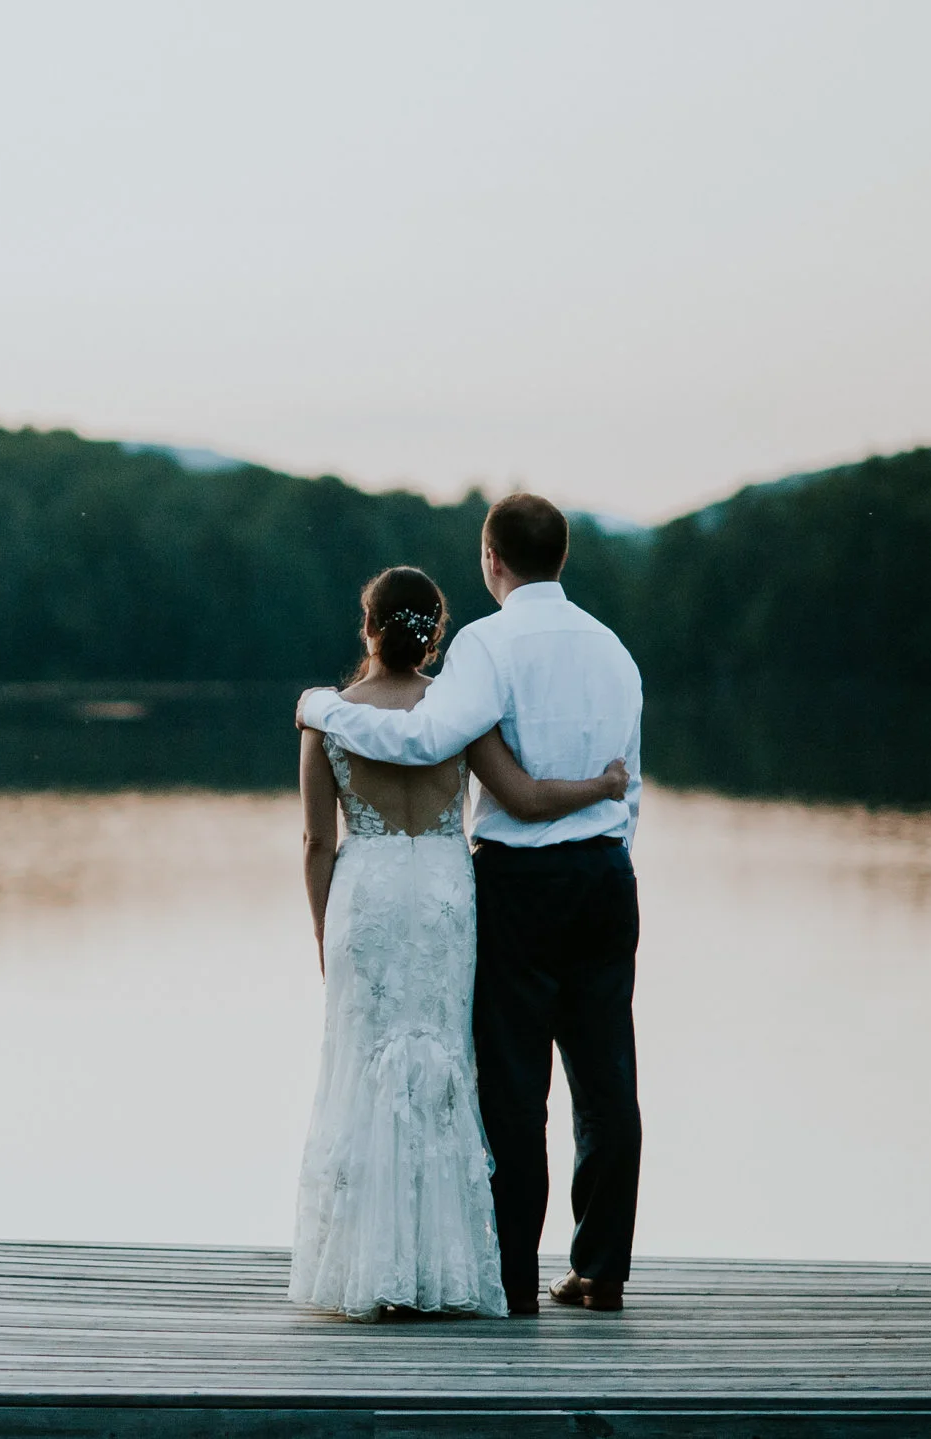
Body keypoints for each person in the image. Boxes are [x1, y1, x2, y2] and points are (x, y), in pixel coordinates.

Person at [298, 495, 644, 1317]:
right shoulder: (615, 649)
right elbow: (625, 776)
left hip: (507, 886)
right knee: (606, 1081)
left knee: (512, 1089)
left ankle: (512, 1278)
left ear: (492, 558)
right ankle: (600, 1269)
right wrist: (606, 815)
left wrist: (320, 706)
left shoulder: (484, 649)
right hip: (599, 875)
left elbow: (417, 744)